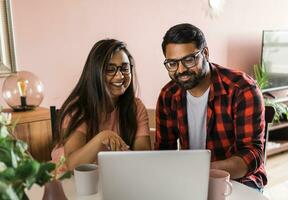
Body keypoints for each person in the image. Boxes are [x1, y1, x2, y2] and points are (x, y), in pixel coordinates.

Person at [155, 23, 266, 190]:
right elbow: (164, 152)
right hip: (190, 179)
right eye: (172, 63)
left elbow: (252, 153)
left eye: (189, 60)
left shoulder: (242, 89)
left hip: (239, 180)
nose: (181, 70)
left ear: (205, 53)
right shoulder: (168, 95)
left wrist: (203, 170)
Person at [52, 39, 151, 171]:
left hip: (112, 178)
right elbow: (72, 165)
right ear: (95, 73)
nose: (120, 76)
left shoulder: (136, 107)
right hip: (70, 181)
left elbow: (143, 158)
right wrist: (102, 138)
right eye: (110, 69)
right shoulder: (78, 108)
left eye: (125, 68)